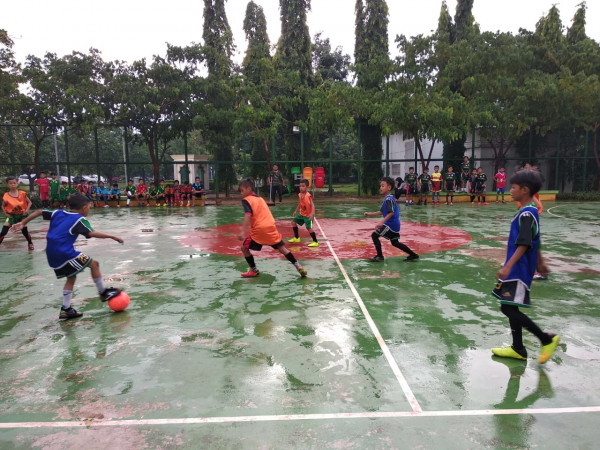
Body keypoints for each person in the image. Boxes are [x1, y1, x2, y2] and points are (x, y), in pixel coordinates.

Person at [11, 193, 124, 320]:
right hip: (64, 253)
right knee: (94, 264)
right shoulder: (79, 219)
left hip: (51, 254)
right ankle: (103, 293)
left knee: (71, 277)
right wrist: (112, 236)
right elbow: (91, 233)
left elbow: (39, 211)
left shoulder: (58, 213)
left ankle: (66, 309)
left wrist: (23, 222)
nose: (89, 209)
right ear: (84, 207)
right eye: (89, 207)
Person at [491, 169, 559, 364]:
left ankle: (546, 339)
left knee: (508, 308)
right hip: (519, 268)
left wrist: (507, 267)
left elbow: (525, 243)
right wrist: (541, 262)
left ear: (525, 190)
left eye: (513, 188)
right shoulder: (527, 212)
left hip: (518, 270)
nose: (510, 191)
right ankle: (518, 348)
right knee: (509, 305)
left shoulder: (527, 213)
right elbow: (535, 241)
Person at [238, 177, 307, 278]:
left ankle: (254, 270)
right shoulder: (260, 199)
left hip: (259, 229)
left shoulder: (246, 200)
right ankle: (299, 266)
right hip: (271, 227)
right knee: (282, 249)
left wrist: (242, 230)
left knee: (244, 248)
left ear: (249, 189)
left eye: (242, 190)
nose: (241, 193)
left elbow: (248, 214)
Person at [364, 177, 419, 262]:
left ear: (389, 187)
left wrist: (382, 222)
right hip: (395, 225)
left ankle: (380, 256)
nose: (380, 188)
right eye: (380, 186)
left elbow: (391, 213)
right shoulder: (387, 198)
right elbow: (381, 212)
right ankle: (413, 255)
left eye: (383, 186)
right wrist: (369, 214)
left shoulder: (389, 199)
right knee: (395, 243)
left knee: (374, 235)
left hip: (390, 224)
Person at [1, 176, 34, 250]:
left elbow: (29, 202)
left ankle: (30, 243)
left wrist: (26, 211)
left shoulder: (22, 193)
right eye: (10, 183)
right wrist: (6, 214)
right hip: (11, 216)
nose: (12, 185)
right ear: (7, 184)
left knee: (24, 231)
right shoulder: (6, 195)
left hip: (22, 216)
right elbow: (3, 206)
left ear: (17, 184)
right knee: (3, 232)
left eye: (14, 183)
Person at [288, 179, 319, 247]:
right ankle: (296, 238)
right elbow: (300, 203)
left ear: (306, 187)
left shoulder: (308, 196)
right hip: (301, 214)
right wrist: (296, 211)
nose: (301, 187)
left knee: (308, 228)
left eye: (303, 186)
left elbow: (312, 205)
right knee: (293, 222)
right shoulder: (299, 195)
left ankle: (315, 241)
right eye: (300, 186)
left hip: (308, 215)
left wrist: (312, 214)